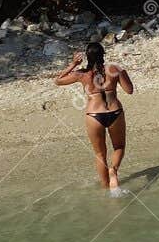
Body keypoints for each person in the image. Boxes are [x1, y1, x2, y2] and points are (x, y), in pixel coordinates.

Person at [54, 42, 133, 190]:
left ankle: (105, 189)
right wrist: (121, 73)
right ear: (103, 54)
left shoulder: (81, 74)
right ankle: (113, 170)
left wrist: (72, 64)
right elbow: (129, 90)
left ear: (87, 57)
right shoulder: (114, 69)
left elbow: (58, 81)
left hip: (94, 115)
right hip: (115, 112)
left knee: (99, 154)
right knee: (119, 146)